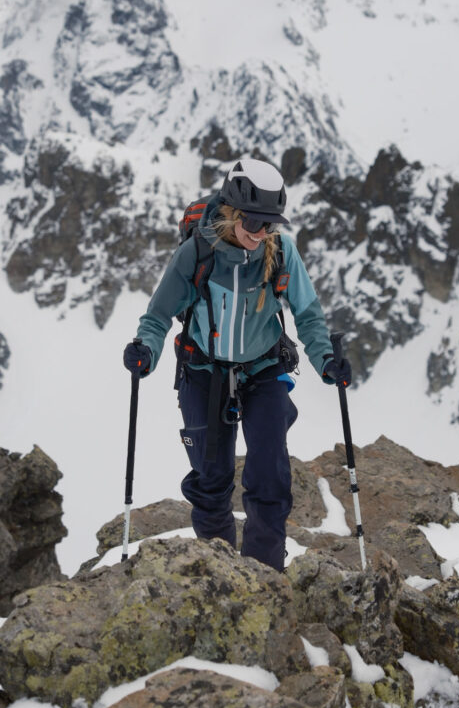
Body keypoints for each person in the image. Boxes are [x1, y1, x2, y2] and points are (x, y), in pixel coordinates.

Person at [123, 157, 351, 571]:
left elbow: (309, 314)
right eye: (253, 222)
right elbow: (157, 316)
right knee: (211, 483)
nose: (261, 232)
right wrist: (146, 351)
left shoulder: (280, 252)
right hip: (203, 371)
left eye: (269, 223)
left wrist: (327, 361)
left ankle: (263, 577)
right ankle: (221, 573)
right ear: (231, 212)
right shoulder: (197, 254)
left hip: (262, 370)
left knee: (270, 478)